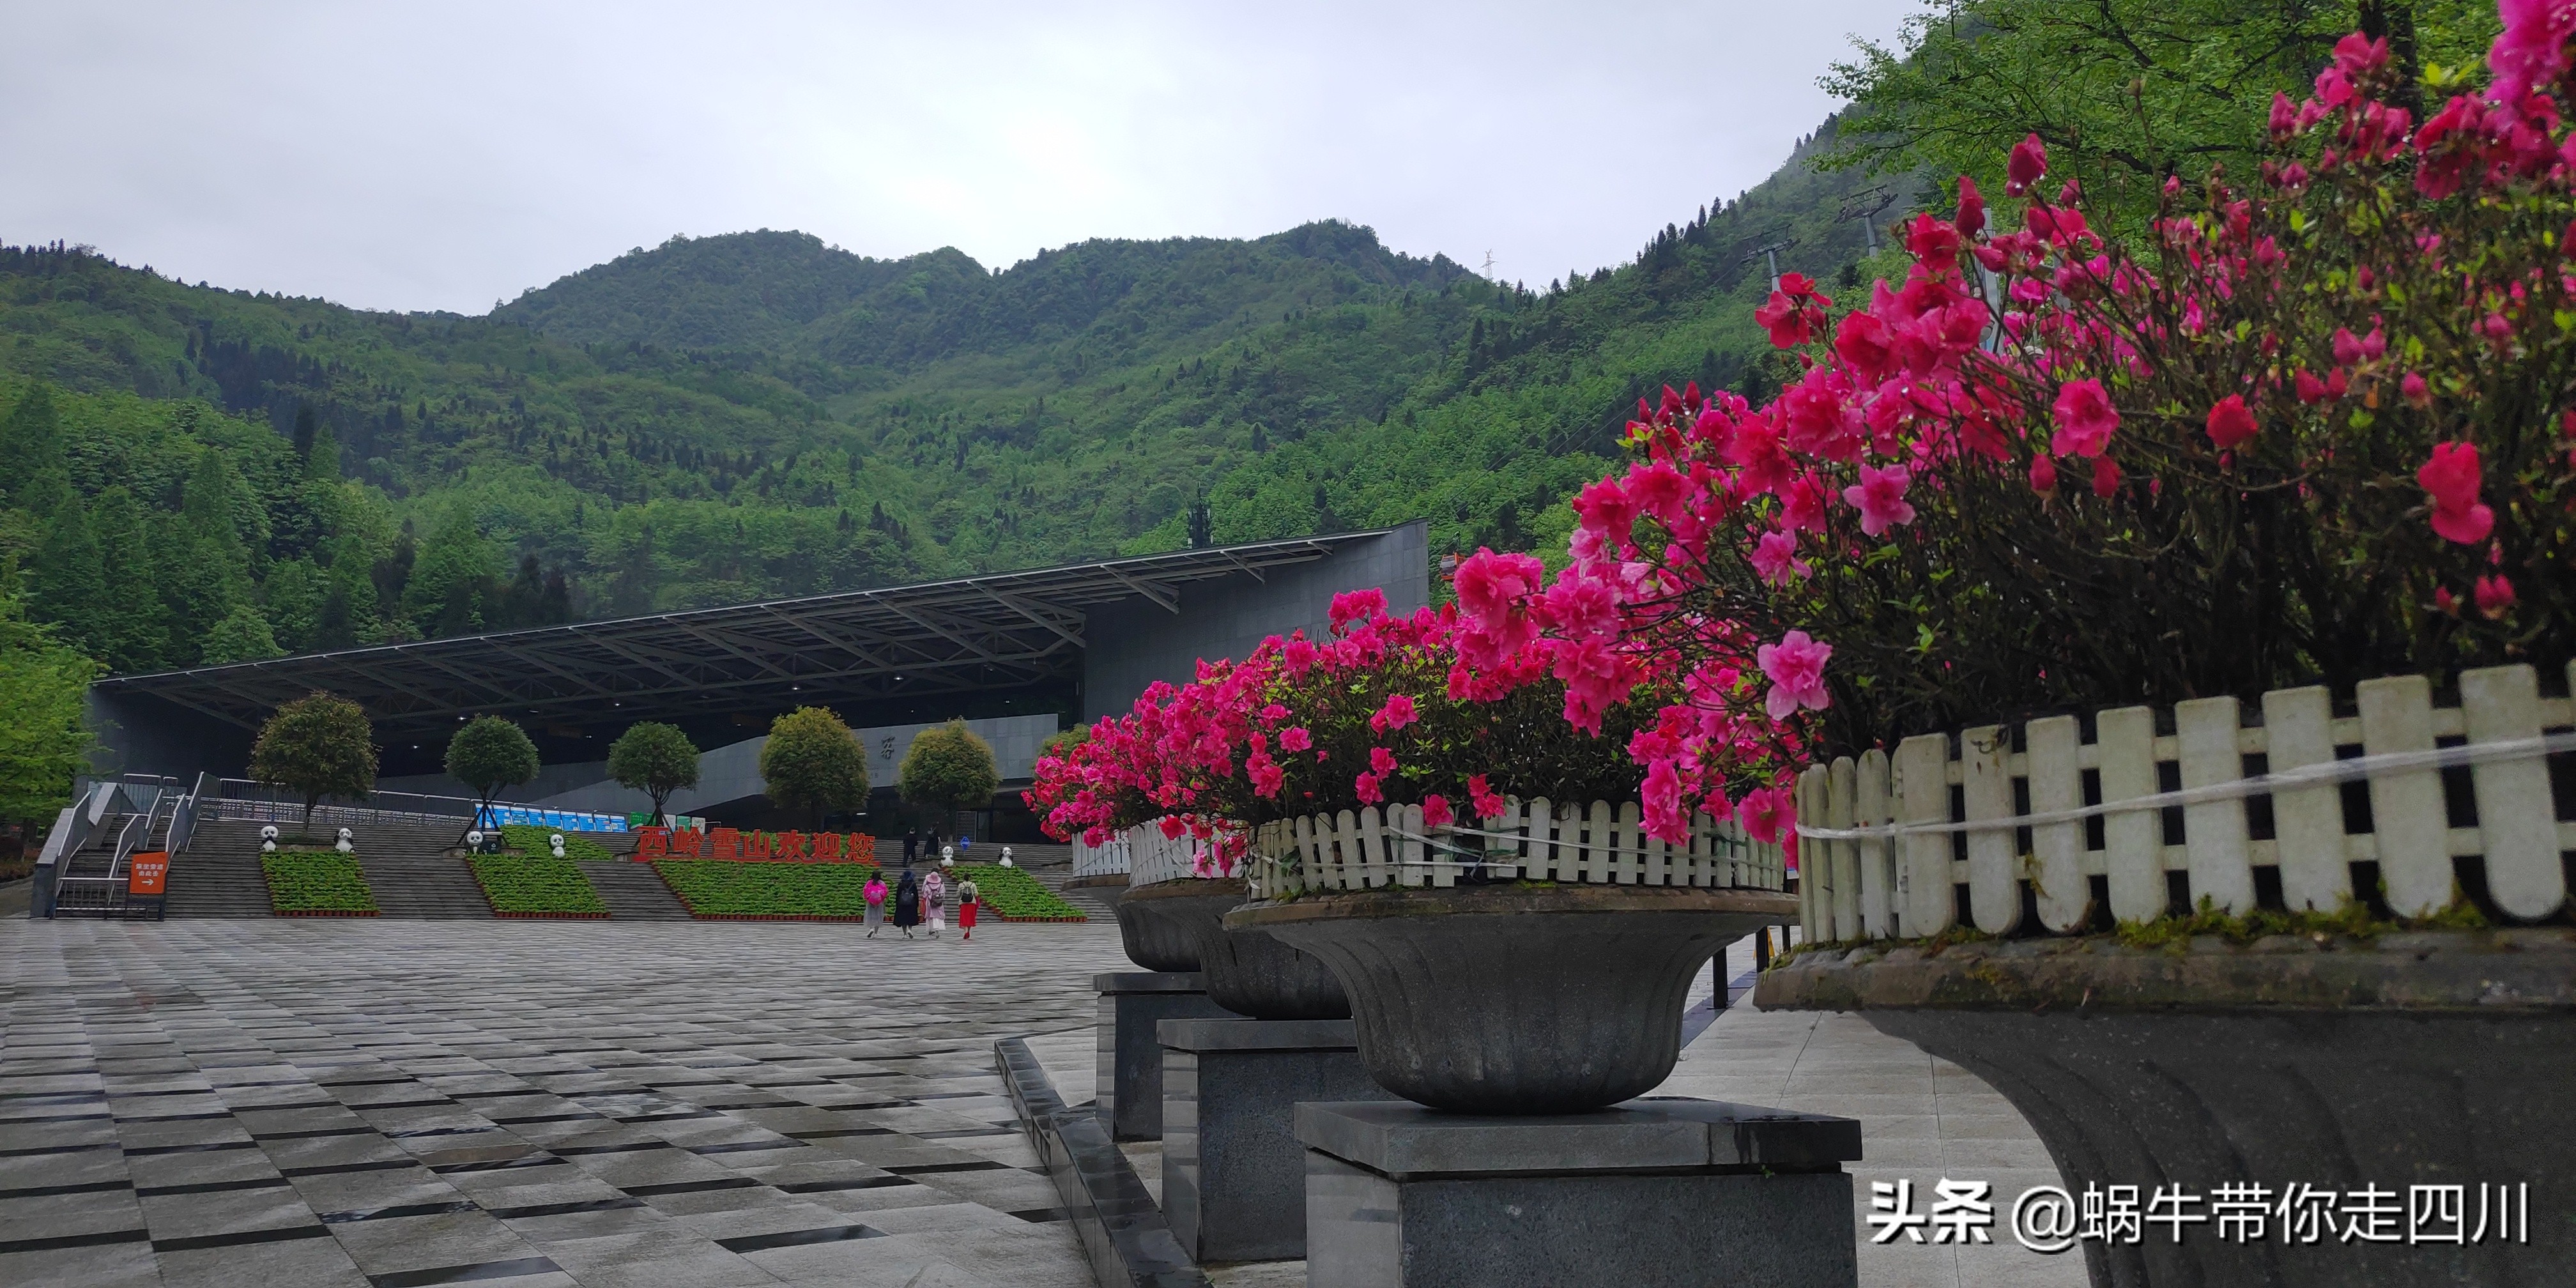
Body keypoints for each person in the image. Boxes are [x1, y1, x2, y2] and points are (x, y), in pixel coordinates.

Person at [893, 868, 921, 938]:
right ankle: (910, 930)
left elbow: (898, 894)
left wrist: (897, 903)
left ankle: (905, 934)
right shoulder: (913, 884)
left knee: (903, 919)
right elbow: (916, 894)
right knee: (910, 917)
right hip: (912, 903)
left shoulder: (901, 884)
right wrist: (917, 903)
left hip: (902, 903)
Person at [923, 866, 947, 939]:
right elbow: (943, 893)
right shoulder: (941, 883)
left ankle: (931, 929)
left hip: (930, 901)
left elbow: (925, 893)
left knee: (930, 916)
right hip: (938, 901)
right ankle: (937, 929)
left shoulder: (928, 884)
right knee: (938, 915)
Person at [956, 871, 980, 941]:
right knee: (970, 918)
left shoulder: (961, 885)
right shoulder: (973, 884)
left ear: (964, 878)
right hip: (971, 903)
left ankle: (966, 932)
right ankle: (968, 932)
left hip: (963, 903)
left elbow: (958, 894)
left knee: (964, 918)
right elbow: (976, 894)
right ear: (970, 878)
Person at [863, 871, 888, 937]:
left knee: (870, 915)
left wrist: (869, 899)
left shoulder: (869, 883)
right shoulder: (882, 883)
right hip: (880, 902)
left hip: (871, 902)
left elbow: (865, 891)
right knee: (878, 916)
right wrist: (881, 899)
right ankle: (876, 933)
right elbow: (885, 892)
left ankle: (871, 928)